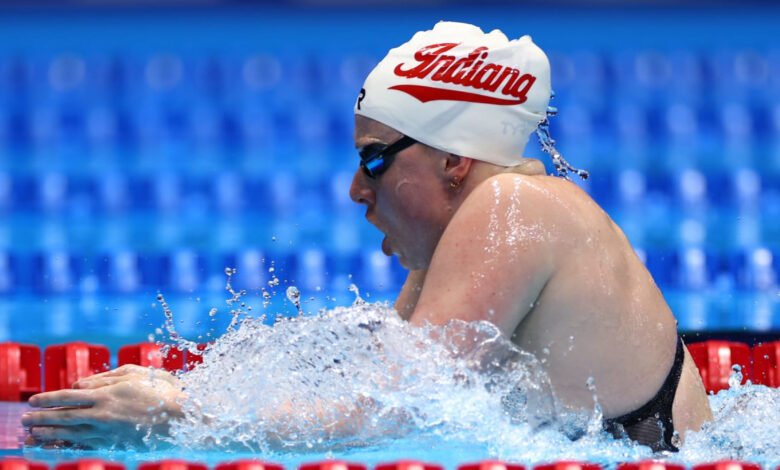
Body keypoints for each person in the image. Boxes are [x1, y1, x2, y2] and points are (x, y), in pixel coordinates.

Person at [22, 21, 712, 452]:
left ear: (454, 160)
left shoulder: (511, 207)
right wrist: (203, 395)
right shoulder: (489, 228)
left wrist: (181, 413)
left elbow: (397, 410)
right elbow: (380, 386)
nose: (357, 190)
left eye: (375, 158)